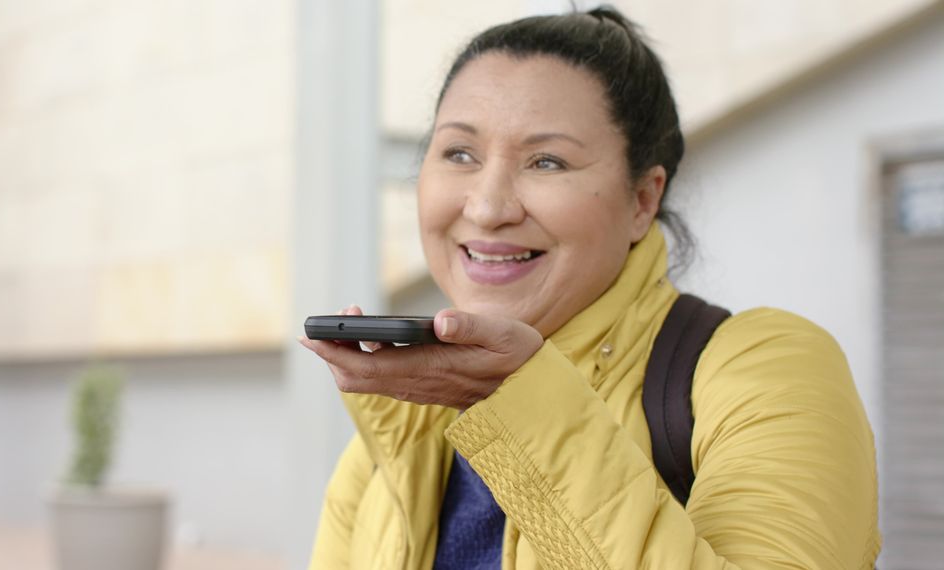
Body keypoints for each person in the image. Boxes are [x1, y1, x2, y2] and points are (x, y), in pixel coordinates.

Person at [299, 7, 880, 569]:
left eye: (547, 162)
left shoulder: (768, 366)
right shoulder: (400, 433)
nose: (487, 206)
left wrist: (522, 398)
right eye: (459, 153)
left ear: (642, 200)